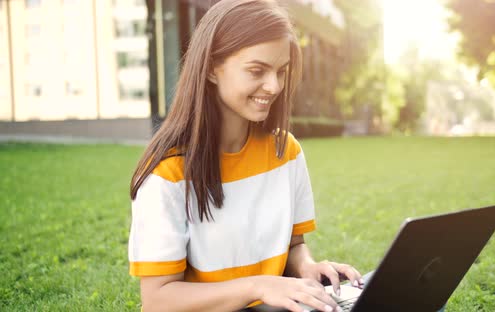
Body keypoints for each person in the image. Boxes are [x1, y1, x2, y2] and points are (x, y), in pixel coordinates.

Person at [127, 0, 363, 311]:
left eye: (281, 71)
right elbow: (158, 300)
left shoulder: (286, 152)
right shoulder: (167, 174)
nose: (273, 85)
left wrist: (307, 267)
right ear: (212, 68)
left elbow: (293, 246)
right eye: (257, 70)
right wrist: (257, 286)